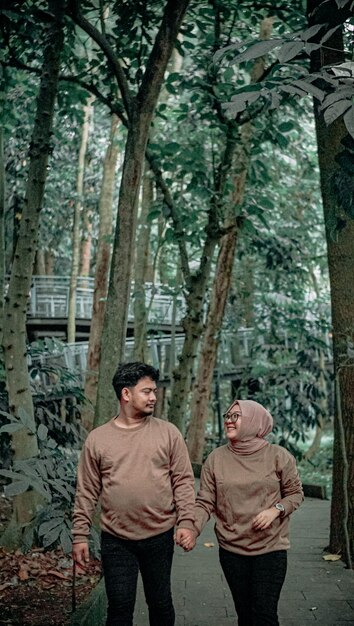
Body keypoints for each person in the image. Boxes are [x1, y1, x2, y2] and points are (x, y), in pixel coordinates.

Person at [72, 361, 195, 626]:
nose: (154, 397)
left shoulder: (168, 433)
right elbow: (87, 490)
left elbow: (184, 481)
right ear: (126, 394)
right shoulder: (98, 439)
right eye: (147, 391)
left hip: (159, 535)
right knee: (119, 608)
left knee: (161, 603)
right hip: (116, 540)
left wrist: (187, 522)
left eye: (154, 391)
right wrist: (79, 535)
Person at [178, 399, 304, 626]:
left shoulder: (279, 456)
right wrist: (191, 528)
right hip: (232, 549)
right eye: (227, 415)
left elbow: (295, 494)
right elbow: (205, 500)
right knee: (245, 615)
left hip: (270, 548)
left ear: (254, 421)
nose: (228, 420)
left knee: (264, 615)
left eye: (236, 416)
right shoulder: (216, 458)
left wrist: (276, 510)